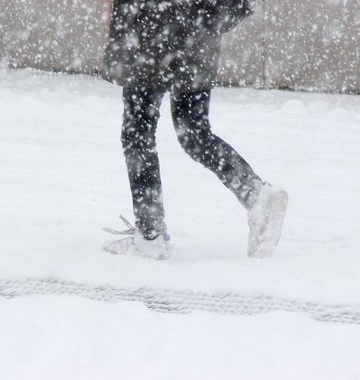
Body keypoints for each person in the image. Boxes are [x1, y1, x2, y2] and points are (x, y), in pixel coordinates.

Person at [102, 0, 288, 259]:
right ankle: (255, 193)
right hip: (197, 30)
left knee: (138, 134)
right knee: (193, 133)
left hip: (150, 26)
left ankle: (150, 235)